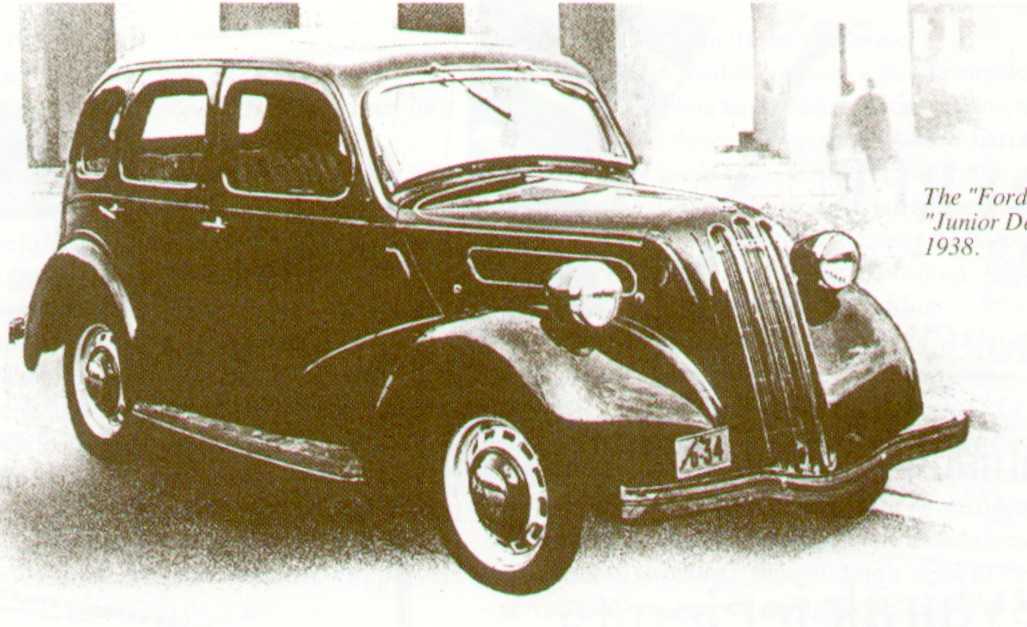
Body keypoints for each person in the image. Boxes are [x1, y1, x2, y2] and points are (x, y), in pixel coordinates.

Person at [849, 77, 893, 184]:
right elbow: (884, 115)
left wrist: (857, 126)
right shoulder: (879, 99)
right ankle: (877, 176)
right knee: (875, 152)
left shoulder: (862, 99)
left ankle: (874, 175)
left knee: (870, 154)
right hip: (875, 131)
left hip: (867, 131)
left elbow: (855, 115)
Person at [826, 79, 859, 192]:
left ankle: (844, 182)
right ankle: (849, 183)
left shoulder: (837, 103)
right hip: (850, 133)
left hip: (839, 132)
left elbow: (834, 121)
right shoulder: (854, 103)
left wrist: (831, 137)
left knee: (840, 157)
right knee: (850, 156)